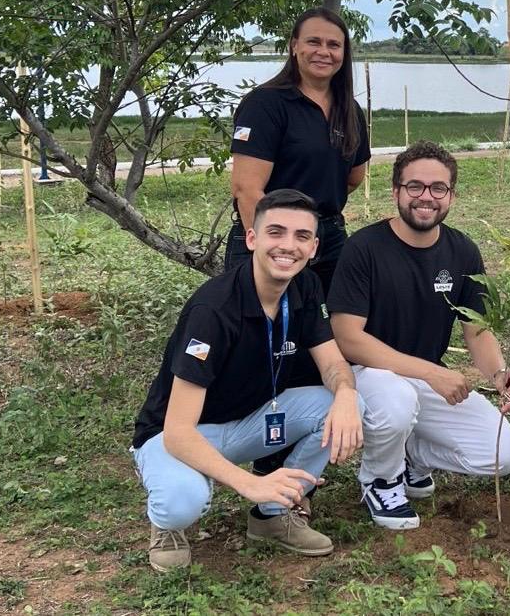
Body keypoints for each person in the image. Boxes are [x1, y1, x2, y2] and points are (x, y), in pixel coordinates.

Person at [131, 189, 363, 572]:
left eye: (301, 236)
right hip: (179, 435)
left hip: (247, 421)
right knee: (181, 503)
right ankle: (166, 525)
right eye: (276, 232)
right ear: (252, 239)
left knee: (346, 403)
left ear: (315, 246)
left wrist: (346, 394)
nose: (288, 246)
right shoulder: (215, 310)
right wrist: (250, 482)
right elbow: (177, 431)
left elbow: (333, 364)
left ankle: (272, 515)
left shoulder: (304, 287)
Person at [327, 140, 510, 530]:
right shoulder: (363, 249)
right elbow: (348, 338)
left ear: (451, 195)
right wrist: (431, 372)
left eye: (438, 188)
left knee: (503, 454)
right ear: (396, 191)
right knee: (396, 397)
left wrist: (499, 375)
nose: (426, 197)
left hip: (423, 377)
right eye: (415, 187)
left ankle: (413, 455)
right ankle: (380, 480)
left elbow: (476, 328)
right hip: (366, 375)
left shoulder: (462, 250)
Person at [226, 6, 370, 478]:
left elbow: (353, 177)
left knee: (321, 346)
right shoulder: (267, 105)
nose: (323, 51)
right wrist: (273, 250)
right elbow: (248, 189)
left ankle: (298, 467)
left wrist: (316, 230)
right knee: (266, 348)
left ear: (344, 53)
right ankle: (240, 451)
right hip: (271, 239)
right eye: (314, 41)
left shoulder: (350, 110)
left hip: (328, 241)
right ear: (293, 46)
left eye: (334, 44)